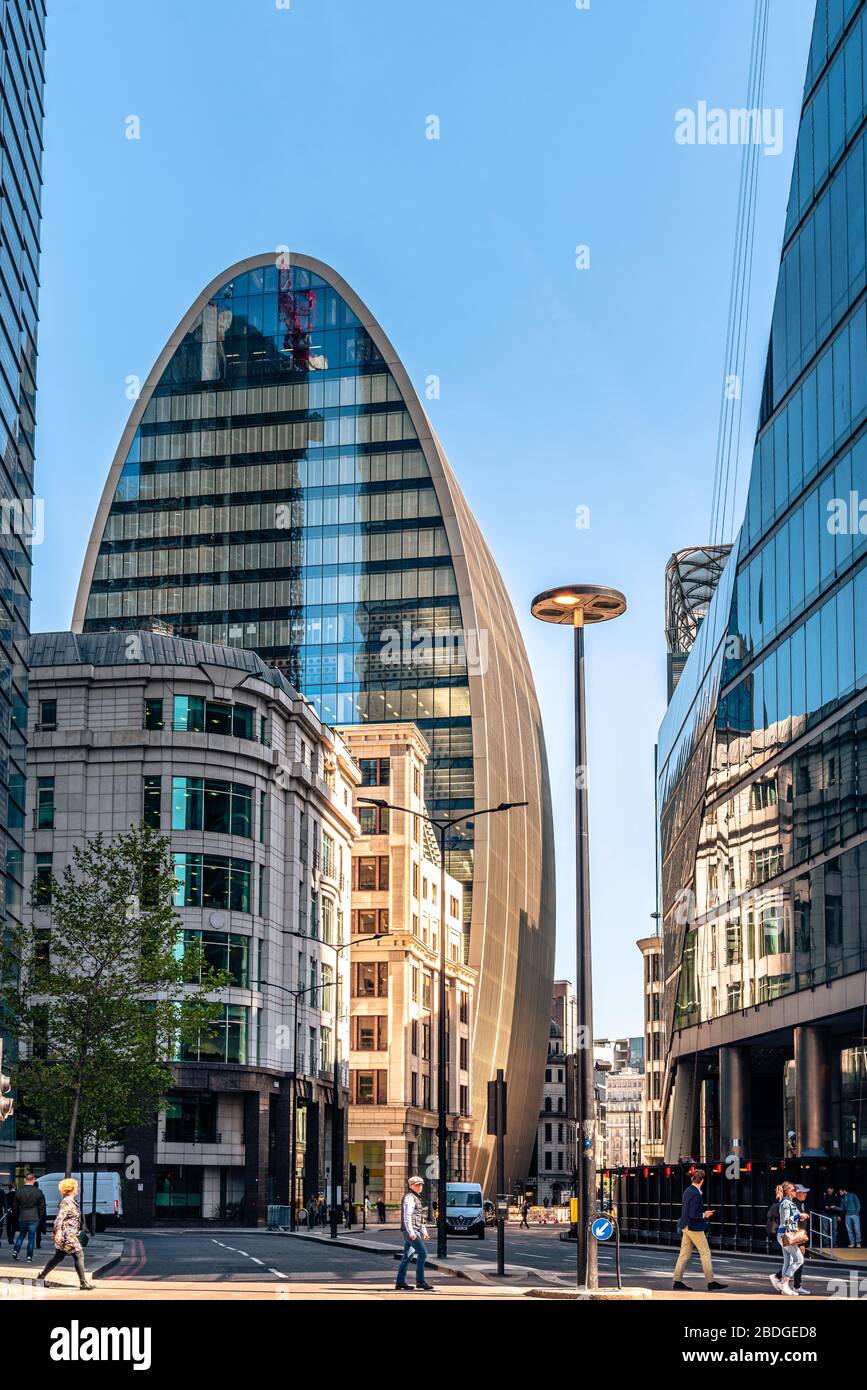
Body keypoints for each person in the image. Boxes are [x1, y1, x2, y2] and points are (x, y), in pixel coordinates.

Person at [671, 1168, 727, 1292]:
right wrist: (704, 1214)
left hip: (685, 1225)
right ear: (701, 1181)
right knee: (705, 1252)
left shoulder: (687, 1190)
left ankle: (677, 1281)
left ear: (692, 1179)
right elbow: (693, 1213)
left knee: (684, 1255)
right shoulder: (696, 1194)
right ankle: (711, 1282)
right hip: (694, 1227)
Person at [37, 1178, 93, 1291]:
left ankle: (41, 1277)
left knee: (58, 1257)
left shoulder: (72, 1201)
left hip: (70, 1233)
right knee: (79, 1255)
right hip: (67, 1235)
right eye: (76, 1187)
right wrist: (57, 1232)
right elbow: (59, 1218)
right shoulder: (67, 1201)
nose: (78, 1189)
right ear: (71, 1189)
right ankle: (83, 1282)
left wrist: (82, 1226)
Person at [395, 1175, 433, 1292]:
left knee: (407, 1256)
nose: (420, 1186)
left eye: (421, 1184)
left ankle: (400, 1282)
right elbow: (407, 1216)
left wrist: (424, 1230)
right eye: (417, 1185)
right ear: (411, 1186)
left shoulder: (416, 1197)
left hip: (414, 1229)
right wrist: (411, 1232)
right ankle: (420, 1281)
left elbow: (419, 1217)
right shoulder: (409, 1198)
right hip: (410, 1231)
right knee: (423, 1253)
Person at [771, 1184, 810, 1295]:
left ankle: (784, 1287)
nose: (796, 1191)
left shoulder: (787, 1203)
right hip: (786, 1235)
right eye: (794, 1190)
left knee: (788, 1261)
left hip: (783, 1234)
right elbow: (787, 1220)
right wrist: (799, 1216)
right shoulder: (787, 1203)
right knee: (799, 1260)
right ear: (788, 1192)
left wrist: (800, 1216)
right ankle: (784, 1282)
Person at [11, 1171, 45, 1264]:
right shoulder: (38, 1192)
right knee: (31, 1237)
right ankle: (29, 1256)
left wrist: (17, 1215)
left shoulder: (19, 1191)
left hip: (22, 1215)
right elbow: (42, 1207)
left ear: (25, 1180)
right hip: (34, 1216)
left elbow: (15, 1206)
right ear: (34, 1180)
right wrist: (40, 1216)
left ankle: (15, 1251)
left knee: (21, 1235)